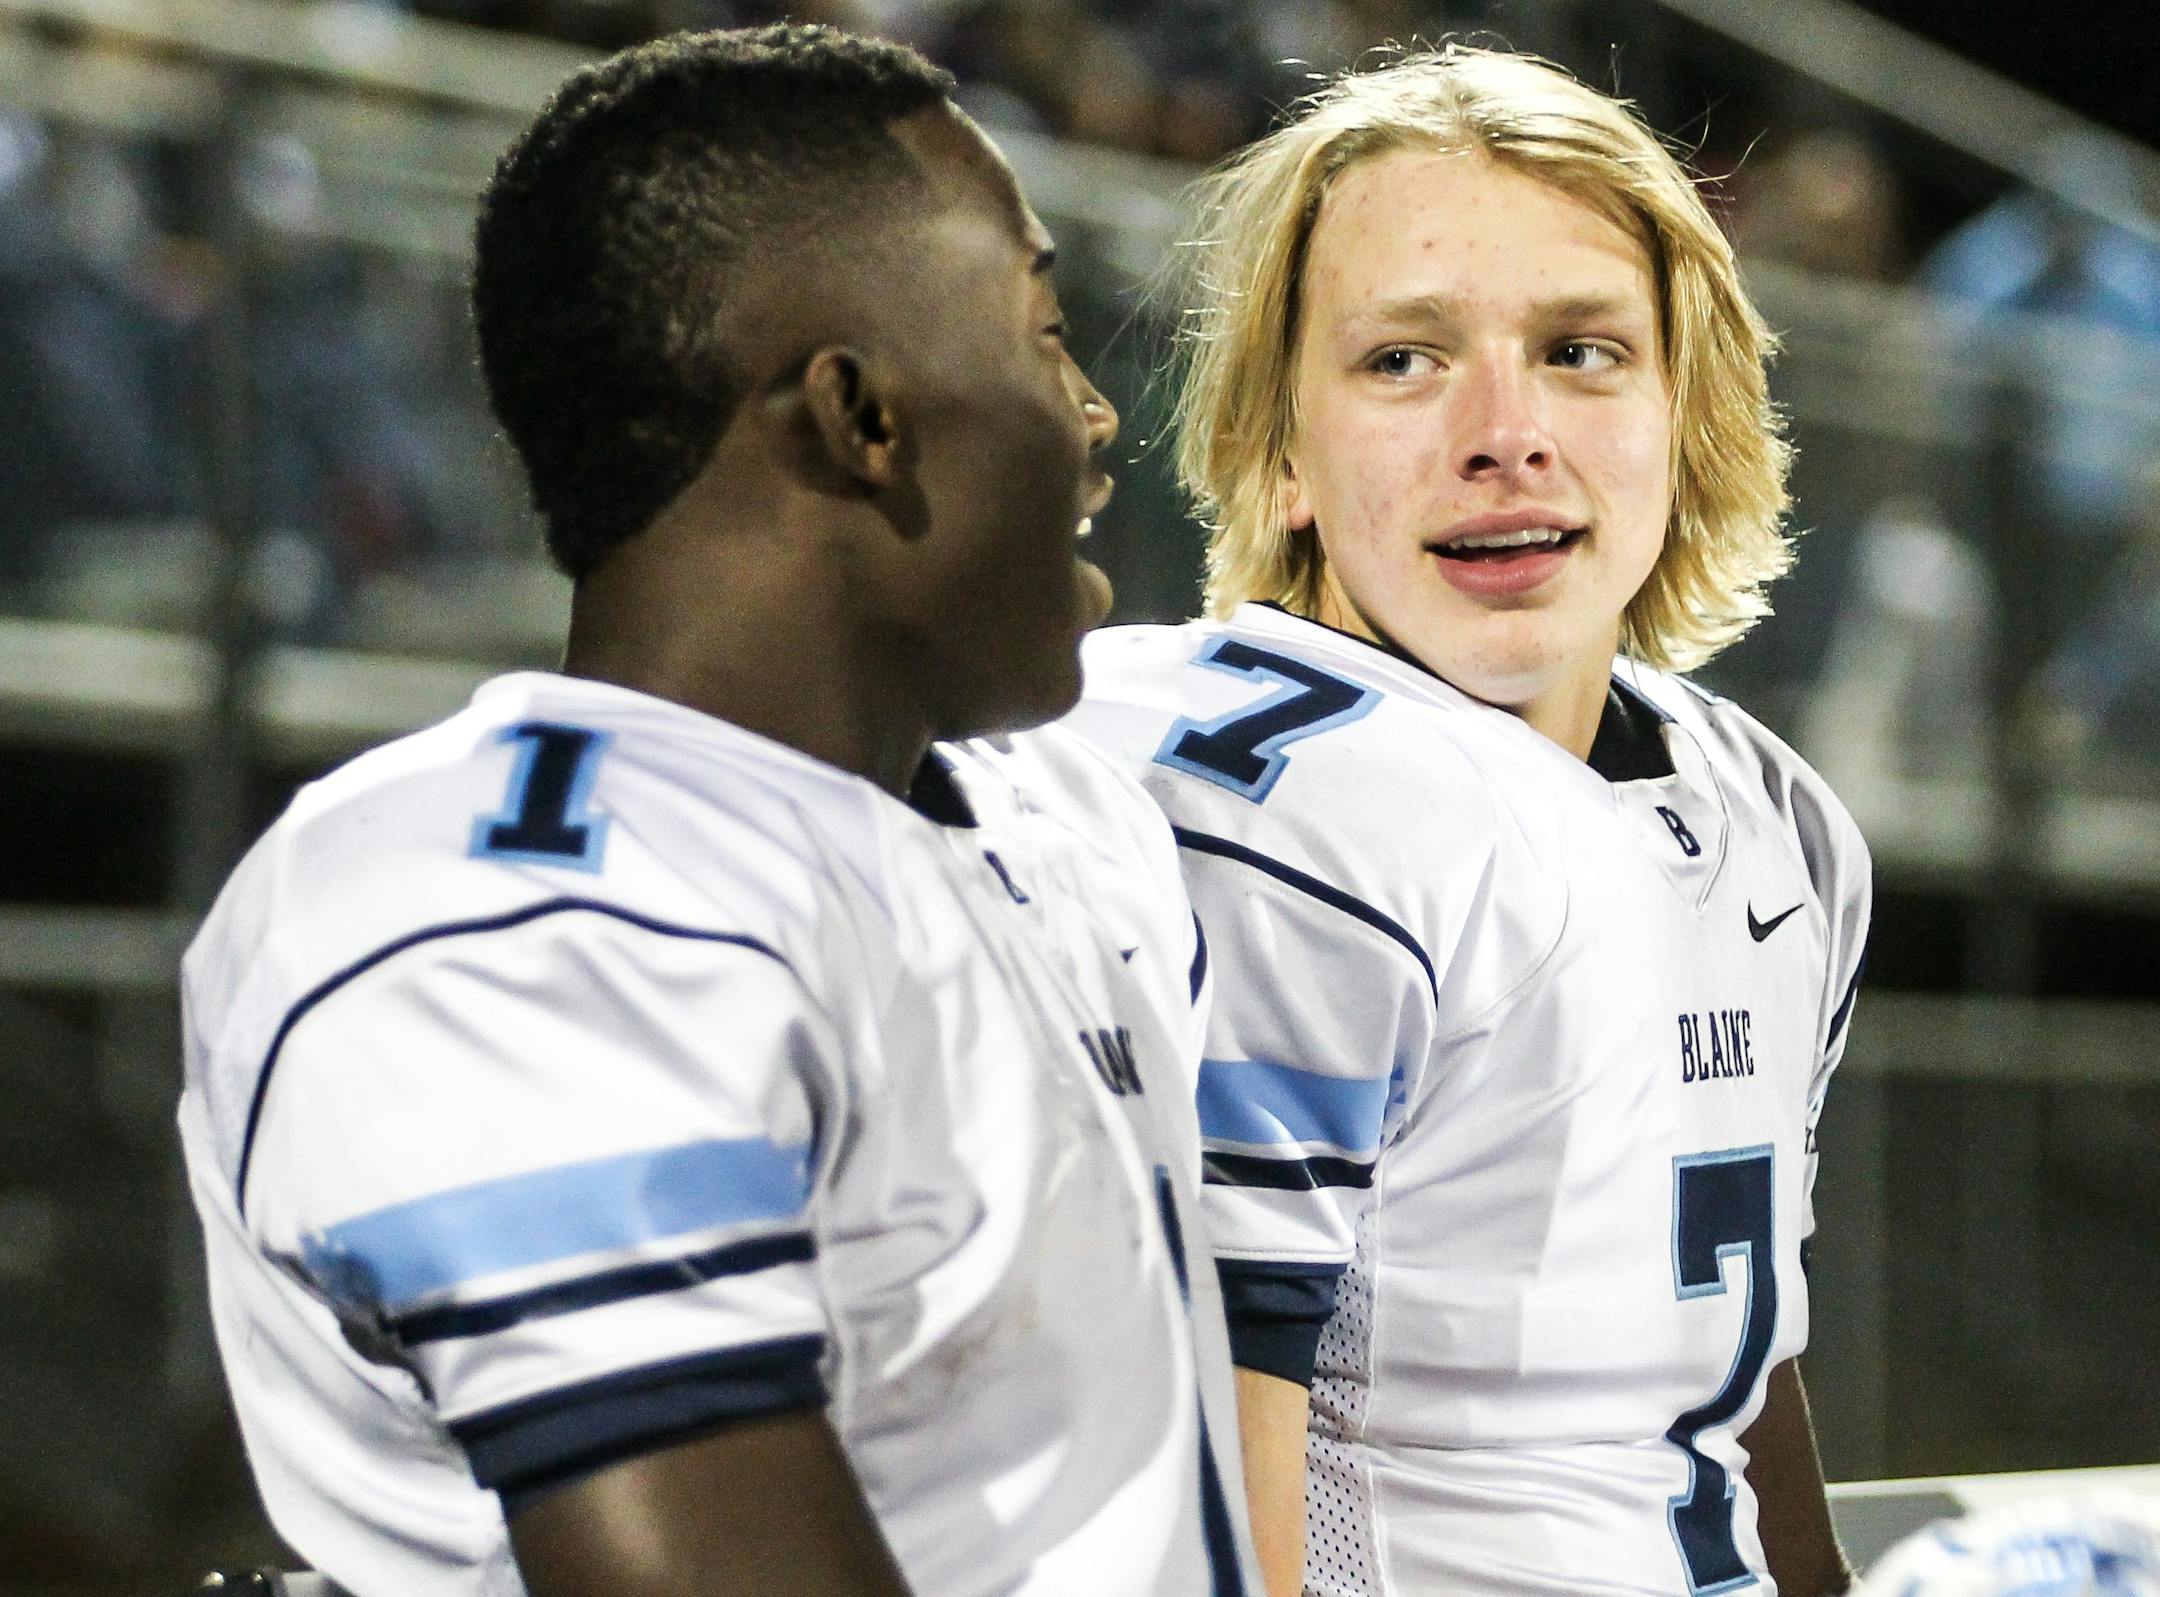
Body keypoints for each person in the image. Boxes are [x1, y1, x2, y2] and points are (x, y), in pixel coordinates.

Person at [177, 25, 1260, 1597]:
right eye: (1041, 329)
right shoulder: (519, 912)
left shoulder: (1056, 826)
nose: (1095, 416)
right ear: (858, 416)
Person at [1068, 45, 1870, 1597]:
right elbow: (1198, 1502)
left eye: (1582, 351)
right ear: (1281, 446)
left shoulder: (1774, 813)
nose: (1507, 432)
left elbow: (1725, 1360)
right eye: (1403, 360)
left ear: (1681, 410)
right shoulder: (1264, 808)